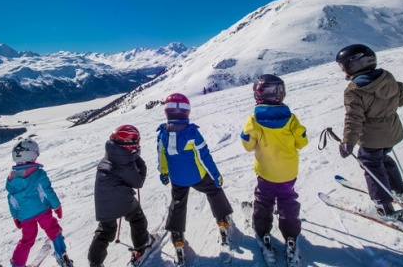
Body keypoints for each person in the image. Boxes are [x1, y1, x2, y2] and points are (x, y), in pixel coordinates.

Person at [335, 44, 403, 219]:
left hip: (372, 136)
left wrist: (348, 142)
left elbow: (354, 118)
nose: (343, 70)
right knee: (382, 158)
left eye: (343, 66)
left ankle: (383, 205)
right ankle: (398, 189)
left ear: (355, 64)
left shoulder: (355, 90)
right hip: (393, 132)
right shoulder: (387, 77)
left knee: (371, 163)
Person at [240, 74, 308, 263]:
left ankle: (263, 231)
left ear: (258, 95)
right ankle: (291, 236)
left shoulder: (254, 119)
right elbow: (302, 142)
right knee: (287, 200)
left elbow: (247, 145)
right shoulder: (291, 118)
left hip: (266, 173)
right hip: (288, 172)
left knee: (264, 200)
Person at [156, 93, 233, 257]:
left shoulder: (162, 134)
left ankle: (177, 235)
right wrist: (215, 175)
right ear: (187, 112)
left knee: (178, 201)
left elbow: (161, 156)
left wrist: (163, 173)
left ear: (167, 112)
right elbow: (204, 156)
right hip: (197, 176)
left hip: (177, 178)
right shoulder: (191, 132)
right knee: (214, 190)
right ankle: (222, 219)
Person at [87, 125, 154, 267]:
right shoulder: (126, 161)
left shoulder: (111, 154)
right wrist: (138, 159)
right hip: (121, 198)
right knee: (137, 217)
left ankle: (94, 261)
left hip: (103, 199)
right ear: (129, 144)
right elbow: (138, 182)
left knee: (106, 229)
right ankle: (141, 246)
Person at [6, 139, 72, 267]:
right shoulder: (38, 174)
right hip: (43, 211)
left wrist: (15, 216)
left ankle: (17, 264)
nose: (37, 157)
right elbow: (48, 192)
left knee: (27, 239)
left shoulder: (11, 179)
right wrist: (56, 206)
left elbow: (12, 200)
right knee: (53, 229)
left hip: (25, 216)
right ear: (30, 155)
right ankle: (61, 254)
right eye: (36, 154)